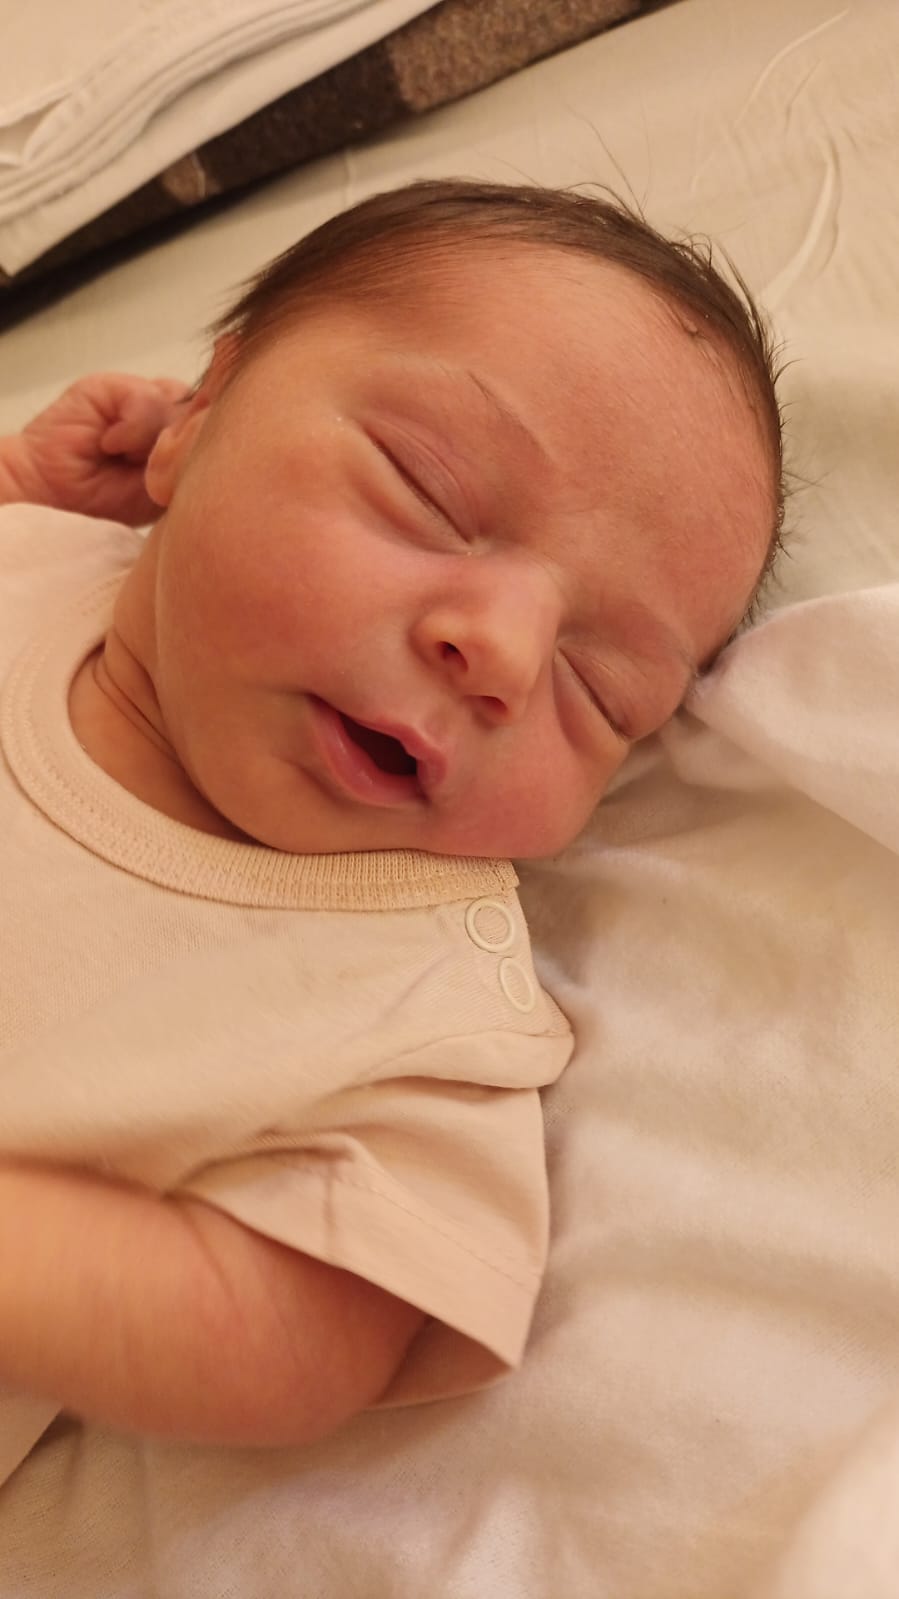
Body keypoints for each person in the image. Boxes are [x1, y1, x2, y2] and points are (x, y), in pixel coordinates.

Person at [0, 180, 784, 1487]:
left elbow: (293, 1337)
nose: (506, 653)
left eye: (601, 690)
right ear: (195, 420)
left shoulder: (420, 1004)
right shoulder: (32, 557)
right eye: (429, 491)